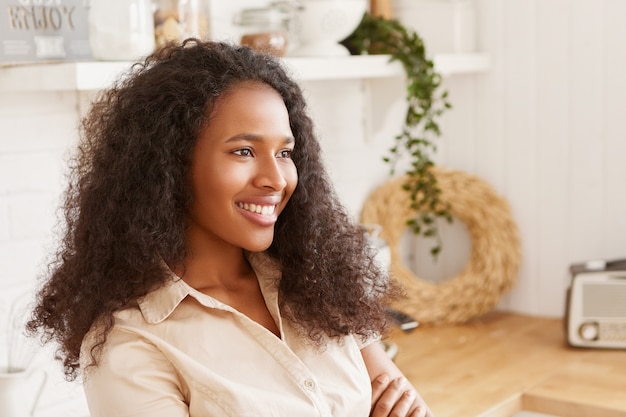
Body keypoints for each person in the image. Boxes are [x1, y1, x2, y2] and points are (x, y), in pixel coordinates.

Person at [27, 40, 434, 417]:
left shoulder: (319, 287)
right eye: (244, 151)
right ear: (170, 165)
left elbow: (400, 403)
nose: (276, 178)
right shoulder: (131, 344)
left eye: (284, 152)